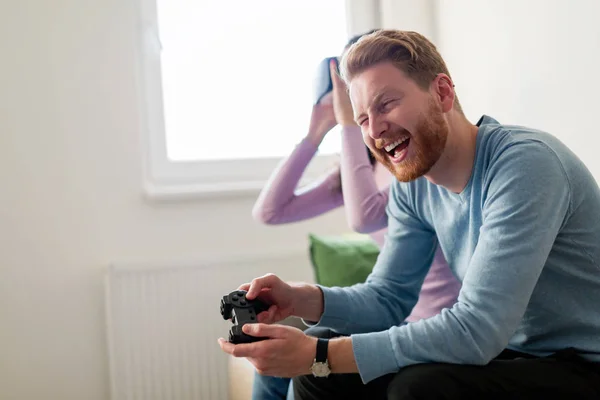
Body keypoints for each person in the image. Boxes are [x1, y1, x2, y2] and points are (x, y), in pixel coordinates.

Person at [219, 29, 600, 399]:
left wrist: (318, 356)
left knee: (414, 387)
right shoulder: (413, 186)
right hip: (513, 355)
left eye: (386, 104)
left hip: (582, 362)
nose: (376, 129)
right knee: (320, 373)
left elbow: (476, 330)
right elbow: (388, 298)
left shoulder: (525, 164)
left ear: (443, 93)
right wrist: (300, 299)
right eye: (363, 119)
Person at [250, 30, 461, 400]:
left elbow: (364, 216)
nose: (371, 121)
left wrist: (350, 125)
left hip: (433, 321)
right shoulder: (362, 166)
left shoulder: (415, 165)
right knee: (272, 363)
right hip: (397, 315)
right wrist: (315, 134)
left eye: (380, 101)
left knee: (314, 350)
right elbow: (270, 211)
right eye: (356, 103)